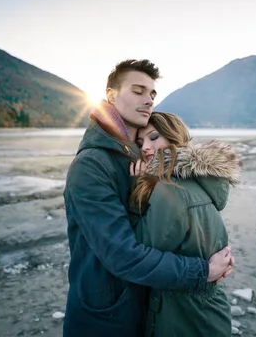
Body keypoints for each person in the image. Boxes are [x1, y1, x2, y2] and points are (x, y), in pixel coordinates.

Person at [63, 59, 234, 336]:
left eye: (152, 94)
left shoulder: (139, 156)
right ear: (111, 95)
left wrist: (214, 251)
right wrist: (202, 272)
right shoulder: (91, 165)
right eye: (138, 91)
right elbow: (122, 254)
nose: (148, 100)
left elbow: (172, 223)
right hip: (105, 318)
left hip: (146, 310)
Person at [131, 112, 240, 336]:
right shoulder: (196, 182)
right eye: (140, 142)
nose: (145, 147)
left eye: (153, 137)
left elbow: (138, 250)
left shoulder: (170, 188)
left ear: (174, 138)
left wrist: (136, 191)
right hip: (206, 310)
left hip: (185, 317)